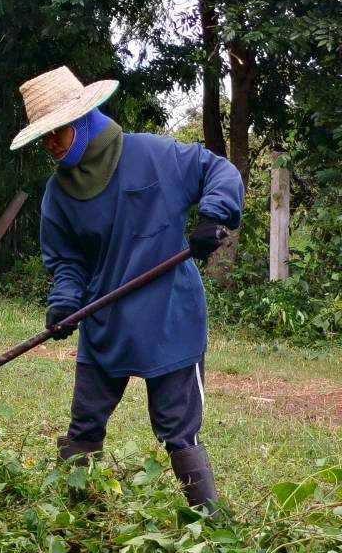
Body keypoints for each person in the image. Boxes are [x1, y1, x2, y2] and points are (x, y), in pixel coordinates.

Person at [13, 66, 244, 511]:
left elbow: (220, 170)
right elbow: (67, 261)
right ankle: (71, 520)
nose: (50, 144)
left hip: (169, 318)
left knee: (179, 432)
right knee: (84, 427)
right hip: (105, 322)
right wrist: (64, 302)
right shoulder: (57, 194)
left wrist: (214, 215)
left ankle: (211, 528)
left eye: (57, 131)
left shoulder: (154, 156)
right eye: (44, 136)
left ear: (82, 120)